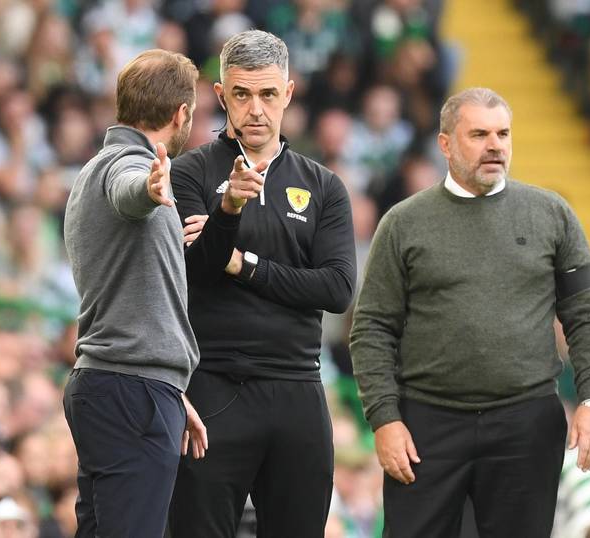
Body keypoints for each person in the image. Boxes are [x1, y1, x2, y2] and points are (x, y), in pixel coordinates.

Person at [350, 87, 590, 538]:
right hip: (426, 423)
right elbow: (372, 328)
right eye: (479, 134)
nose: (495, 145)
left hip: (526, 420)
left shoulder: (552, 214)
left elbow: (586, 314)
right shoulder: (403, 222)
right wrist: (385, 418)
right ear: (446, 144)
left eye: (503, 133)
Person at [167, 30, 356, 538]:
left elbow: (337, 289)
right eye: (243, 94)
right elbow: (195, 269)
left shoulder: (323, 185)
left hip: (297, 387)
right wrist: (228, 210)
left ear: (289, 94)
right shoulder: (189, 174)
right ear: (221, 94)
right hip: (213, 384)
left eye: (268, 94)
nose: (256, 109)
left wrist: (242, 263)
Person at [62, 49, 207, 538]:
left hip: (126, 385)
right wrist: (148, 187)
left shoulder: (92, 169)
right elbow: (129, 192)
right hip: (131, 392)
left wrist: (168, 382)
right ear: (181, 113)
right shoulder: (126, 167)